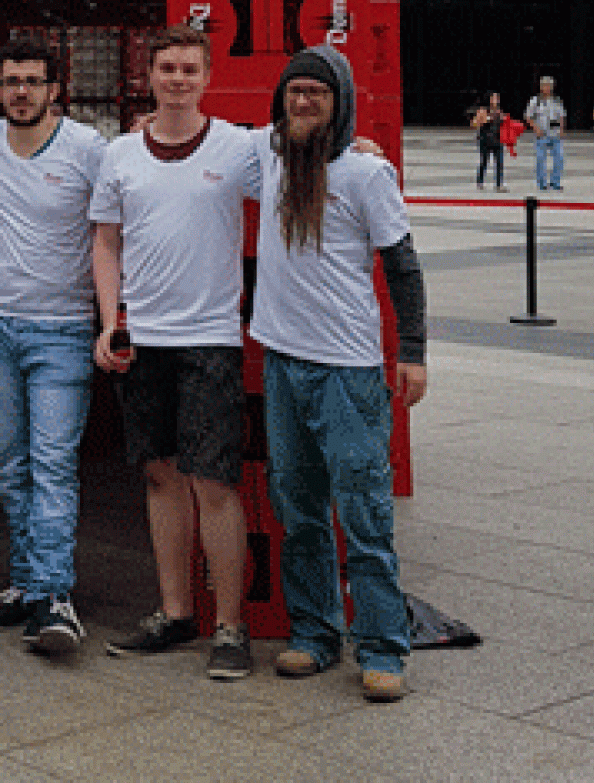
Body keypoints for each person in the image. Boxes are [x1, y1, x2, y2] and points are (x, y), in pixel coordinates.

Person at [254, 45, 428, 702]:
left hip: (348, 372)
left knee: (364, 513)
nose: (303, 102)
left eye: (317, 94)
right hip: (282, 360)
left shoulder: (363, 174)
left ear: (341, 102)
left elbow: (403, 265)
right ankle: (316, 634)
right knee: (297, 511)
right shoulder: (266, 152)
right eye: (294, 91)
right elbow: (199, 146)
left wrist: (411, 350)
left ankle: (383, 647)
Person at [92, 25, 260, 680]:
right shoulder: (121, 155)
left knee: (213, 482)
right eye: (168, 68)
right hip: (145, 340)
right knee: (160, 475)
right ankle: (175, 611)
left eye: (190, 69)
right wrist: (111, 322)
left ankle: (231, 627)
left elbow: (305, 156)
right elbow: (106, 243)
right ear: (150, 75)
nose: (179, 79)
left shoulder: (239, 147)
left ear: (207, 76)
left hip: (211, 339)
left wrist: (354, 145)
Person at [0, 38, 107, 656]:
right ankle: (26, 581)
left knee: (52, 465)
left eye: (33, 81)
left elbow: (139, 182)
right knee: (9, 464)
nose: (22, 91)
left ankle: (55, 594)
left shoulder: (87, 149)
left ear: (54, 91)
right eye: (11, 80)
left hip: (64, 329)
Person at [524, 77, 567, 191]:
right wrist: (536, 128)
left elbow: (561, 116)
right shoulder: (535, 100)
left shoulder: (557, 100)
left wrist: (562, 129)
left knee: (559, 157)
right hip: (542, 133)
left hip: (555, 133)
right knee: (540, 158)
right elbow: (528, 116)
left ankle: (555, 182)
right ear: (541, 87)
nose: (547, 88)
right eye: (545, 85)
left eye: (549, 86)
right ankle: (542, 183)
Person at [468, 92, 506, 190]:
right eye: (493, 98)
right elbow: (473, 124)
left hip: (498, 140)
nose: (495, 100)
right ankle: (480, 182)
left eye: (497, 98)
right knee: (484, 161)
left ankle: (499, 184)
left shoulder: (500, 111)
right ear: (489, 100)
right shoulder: (483, 111)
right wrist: (482, 121)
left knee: (499, 163)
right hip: (485, 139)